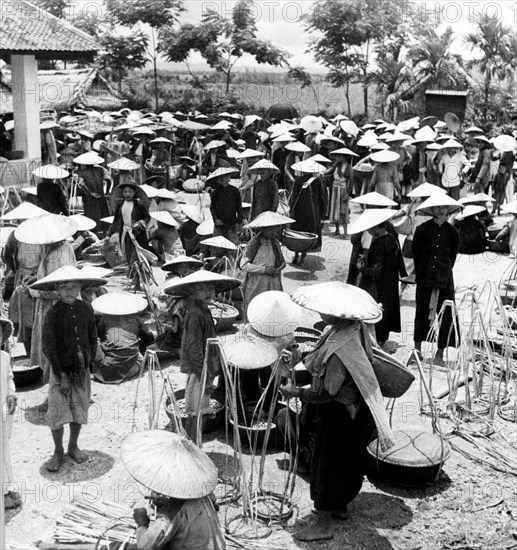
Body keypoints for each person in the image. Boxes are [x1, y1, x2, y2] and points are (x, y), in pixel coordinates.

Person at [280, 281, 395, 542]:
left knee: (326, 464)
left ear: (337, 314)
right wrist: (301, 355)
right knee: (348, 461)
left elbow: (327, 391)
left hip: (340, 412)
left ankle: (323, 524)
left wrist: (296, 393)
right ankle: (340, 505)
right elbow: (321, 353)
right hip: (357, 410)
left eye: (324, 311)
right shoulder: (355, 328)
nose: (321, 314)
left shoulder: (342, 345)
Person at [37, 267, 105, 472]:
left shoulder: (86, 309)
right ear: (57, 289)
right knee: (57, 411)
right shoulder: (53, 313)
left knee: (79, 409)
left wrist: (90, 362)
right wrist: (62, 375)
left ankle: (73, 445)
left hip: (81, 368)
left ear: (80, 288)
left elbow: (92, 336)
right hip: (61, 370)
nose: (69, 291)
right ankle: (57, 451)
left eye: (74, 286)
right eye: (64, 287)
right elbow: (49, 347)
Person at [164, 271, 240, 443]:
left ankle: (193, 444)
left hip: (205, 367)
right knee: (197, 412)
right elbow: (193, 348)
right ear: (192, 292)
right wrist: (204, 376)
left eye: (211, 288)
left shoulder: (203, 310)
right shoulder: (195, 314)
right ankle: (191, 446)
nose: (208, 292)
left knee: (201, 408)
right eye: (201, 288)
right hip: (199, 369)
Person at [121, 430, 226, 550]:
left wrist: (141, 521)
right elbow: (213, 506)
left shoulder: (173, 511)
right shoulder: (203, 490)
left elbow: (146, 545)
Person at [412, 193, 461, 366]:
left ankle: (440, 354)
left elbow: (452, 257)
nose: (441, 210)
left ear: (448, 210)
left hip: (445, 278)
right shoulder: (422, 230)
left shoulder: (452, 232)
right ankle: (417, 351)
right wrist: (424, 273)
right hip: (425, 277)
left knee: (447, 314)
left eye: (444, 207)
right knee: (421, 313)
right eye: (437, 207)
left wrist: (443, 272)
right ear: (432, 210)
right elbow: (416, 255)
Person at [352, 210, 406, 347]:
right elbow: (398, 260)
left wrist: (362, 268)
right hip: (390, 282)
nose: (369, 232)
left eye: (370, 228)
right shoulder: (391, 238)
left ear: (376, 227)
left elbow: (375, 271)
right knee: (387, 309)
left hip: (378, 285)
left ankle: (376, 342)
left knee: (376, 311)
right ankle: (382, 338)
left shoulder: (379, 243)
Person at [30, 236, 77, 382]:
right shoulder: (68, 248)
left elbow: (53, 288)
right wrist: (35, 282)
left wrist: (33, 290)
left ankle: (57, 380)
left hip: (53, 305)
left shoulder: (53, 257)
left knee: (53, 344)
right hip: (68, 302)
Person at [92, 292, 154, 384]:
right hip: (131, 368)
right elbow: (148, 337)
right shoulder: (135, 317)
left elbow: (100, 335)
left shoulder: (106, 317)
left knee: (95, 341)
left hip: (107, 369)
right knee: (137, 350)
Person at [241, 211, 291, 319]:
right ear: (262, 229)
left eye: (276, 229)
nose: (274, 232)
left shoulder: (275, 242)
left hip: (273, 282)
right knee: (257, 309)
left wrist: (279, 268)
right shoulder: (254, 243)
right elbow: (243, 265)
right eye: (271, 229)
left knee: (271, 310)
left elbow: (282, 262)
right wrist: (264, 269)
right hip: (257, 283)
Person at [109, 181, 151, 284]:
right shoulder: (120, 204)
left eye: (130, 192)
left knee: (138, 256)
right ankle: (135, 279)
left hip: (138, 234)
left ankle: (141, 279)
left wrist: (140, 222)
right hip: (126, 234)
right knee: (128, 255)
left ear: (134, 193)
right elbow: (116, 220)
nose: (127, 194)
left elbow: (147, 217)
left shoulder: (139, 204)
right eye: (125, 192)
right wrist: (111, 233)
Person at [289, 161, 327, 264]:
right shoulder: (318, 181)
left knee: (297, 232)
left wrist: (291, 210)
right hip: (312, 211)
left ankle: (296, 255)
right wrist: (322, 214)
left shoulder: (298, 180)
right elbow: (321, 198)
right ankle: (302, 257)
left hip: (299, 211)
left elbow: (294, 198)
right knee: (307, 233)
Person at [1, 317, 21, 510]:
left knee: (3, 450)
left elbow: (9, 378)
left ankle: (6, 489)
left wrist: (11, 394)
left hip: (2, 413)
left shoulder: (4, 358)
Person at [208, 168, 243, 244]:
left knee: (234, 245)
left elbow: (239, 207)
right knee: (217, 245)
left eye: (226, 177)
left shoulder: (234, 190)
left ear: (228, 178)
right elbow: (212, 207)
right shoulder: (216, 192)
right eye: (221, 178)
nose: (223, 179)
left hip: (232, 223)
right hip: (220, 223)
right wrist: (215, 219)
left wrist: (239, 222)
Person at [76, 157, 111, 227]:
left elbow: (81, 184)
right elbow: (109, 180)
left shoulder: (82, 172)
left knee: (91, 214)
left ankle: (94, 228)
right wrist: (106, 191)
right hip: (100, 194)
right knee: (102, 213)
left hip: (89, 197)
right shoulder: (100, 170)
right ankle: (104, 229)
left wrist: (90, 193)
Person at [328, 148, 355, 237]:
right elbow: (329, 172)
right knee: (334, 209)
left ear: (343, 157)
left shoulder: (349, 168)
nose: (337, 157)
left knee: (344, 210)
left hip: (343, 189)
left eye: (339, 156)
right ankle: (337, 230)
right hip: (335, 188)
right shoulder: (336, 165)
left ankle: (346, 232)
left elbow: (351, 182)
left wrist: (347, 194)